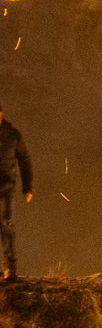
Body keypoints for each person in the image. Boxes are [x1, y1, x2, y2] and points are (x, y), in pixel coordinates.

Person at [0, 105, 32, 280]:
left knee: (5, 225)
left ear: (1, 115)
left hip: (5, 189)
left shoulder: (13, 136)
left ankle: (10, 269)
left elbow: (25, 161)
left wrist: (27, 187)